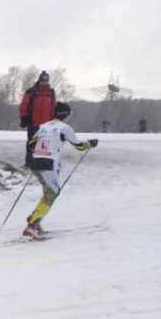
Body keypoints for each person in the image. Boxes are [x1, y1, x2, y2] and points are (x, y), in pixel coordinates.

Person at [23, 102, 98, 239]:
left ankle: (36, 218)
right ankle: (31, 225)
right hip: (49, 163)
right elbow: (80, 146)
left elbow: (31, 143)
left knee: (48, 192)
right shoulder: (65, 128)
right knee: (52, 193)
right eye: (69, 115)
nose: (70, 117)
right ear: (65, 115)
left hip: (36, 161)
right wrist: (90, 144)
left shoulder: (44, 126)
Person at [19, 71, 56, 166]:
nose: (44, 83)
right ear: (39, 80)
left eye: (46, 81)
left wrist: (55, 119)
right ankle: (29, 162)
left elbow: (54, 106)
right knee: (32, 143)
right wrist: (24, 117)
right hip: (34, 122)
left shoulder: (51, 92)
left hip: (47, 124)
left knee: (45, 144)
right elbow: (24, 105)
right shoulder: (31, 91)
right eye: (42, 81)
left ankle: (43, 162)